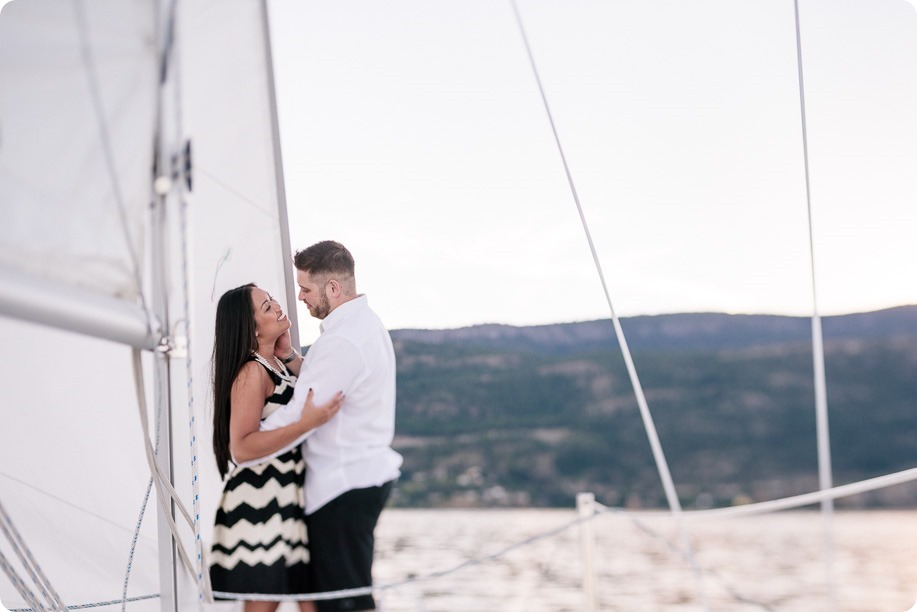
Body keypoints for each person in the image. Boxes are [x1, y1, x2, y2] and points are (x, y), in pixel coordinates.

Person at [258, 241, 403, 611]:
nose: (301, 297)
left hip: (342, 487)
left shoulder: (342, 340)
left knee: (343, 604)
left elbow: (300, 415)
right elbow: (328, 383)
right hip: (358, 480)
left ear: (333, 288)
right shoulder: (362, 325)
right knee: (349, 598)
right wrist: (290, 358)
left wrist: (242, 442)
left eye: (305, 288)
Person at [209, 283, 344, 612]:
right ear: (252, 327)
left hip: (289, 499)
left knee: (308, 598)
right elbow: (240, 447)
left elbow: (311, 385)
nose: (279, 307)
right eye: (267, 307)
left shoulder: (277, 365)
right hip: (260, 502)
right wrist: (305, 424)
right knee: (266, 601)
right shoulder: (252, 372)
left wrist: (287, 354)